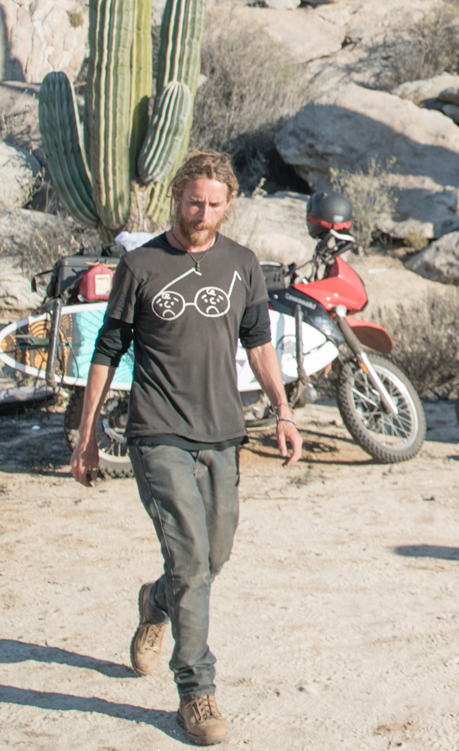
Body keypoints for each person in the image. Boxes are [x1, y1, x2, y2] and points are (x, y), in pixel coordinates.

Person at [70, 151, 303, 745]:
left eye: (215, 204)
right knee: (193, 562)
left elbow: (259, 344)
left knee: (210, 559)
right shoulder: (141, 263)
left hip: (223, 433)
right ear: (177, 197)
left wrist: (282, 410)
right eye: (194, 201)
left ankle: (156, 601)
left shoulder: (242, 264)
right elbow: (107, 351)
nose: (203, 212)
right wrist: (89, 431)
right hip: (158, 433)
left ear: (228, 206)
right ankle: (196, 691)